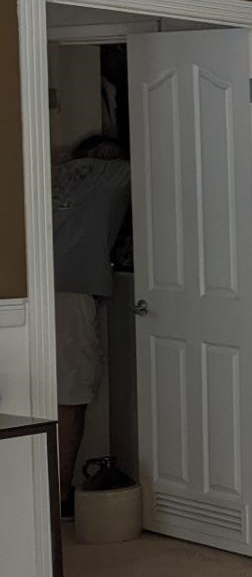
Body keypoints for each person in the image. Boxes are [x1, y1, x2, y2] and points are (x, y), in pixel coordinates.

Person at [52, 133, 131, 515]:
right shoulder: (113, 175)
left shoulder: (44, 171)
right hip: (71, 293)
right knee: (70, 394)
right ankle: (59, 495)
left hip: (23, 291)